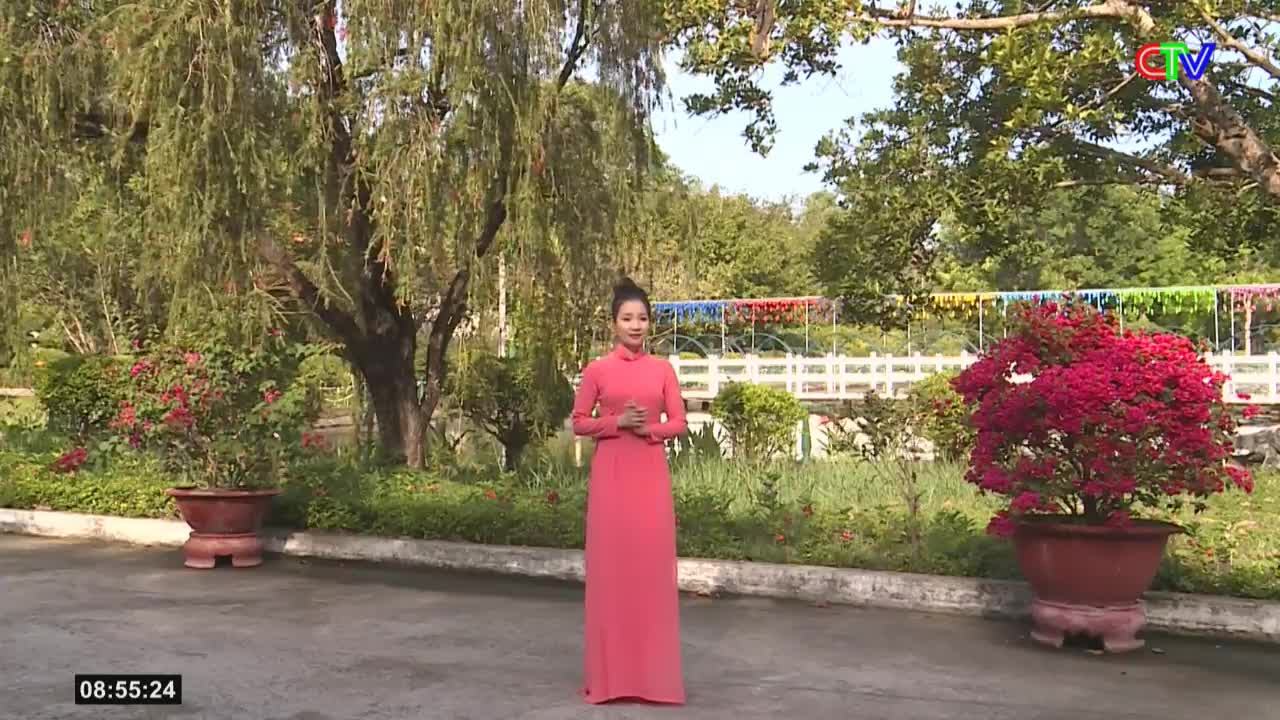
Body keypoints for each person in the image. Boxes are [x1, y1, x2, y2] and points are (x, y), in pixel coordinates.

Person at [571, 277, 688, 705]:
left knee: (650, 574)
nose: (635, 325)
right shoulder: (597, 370)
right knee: (612, 575)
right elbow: (579, 421)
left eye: (641, 318)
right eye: (627, 318)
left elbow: (679, 422)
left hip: (650, 477)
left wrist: (649, 429)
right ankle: (609, 680)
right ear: (614, 323)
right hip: (611, 478)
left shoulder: (662, 370)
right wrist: (616, 424)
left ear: (649, 323)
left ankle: (654, 681)